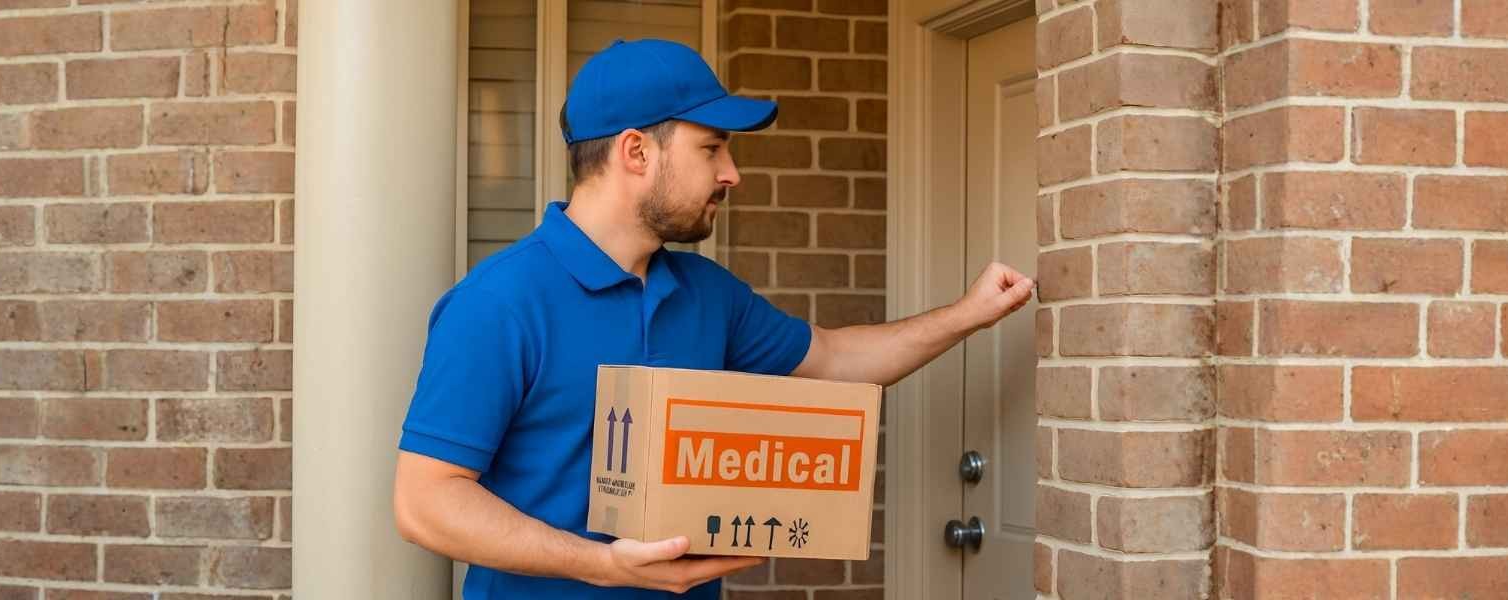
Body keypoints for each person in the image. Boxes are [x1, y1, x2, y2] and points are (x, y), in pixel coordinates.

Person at [392, 38, 1036, 599]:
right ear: (636, 151)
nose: (732, 174)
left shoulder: (707, 293)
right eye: (712, 148)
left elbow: (836, 361)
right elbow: (426, 503)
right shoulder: (500, 302)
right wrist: (605, 566)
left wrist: (969, 314)